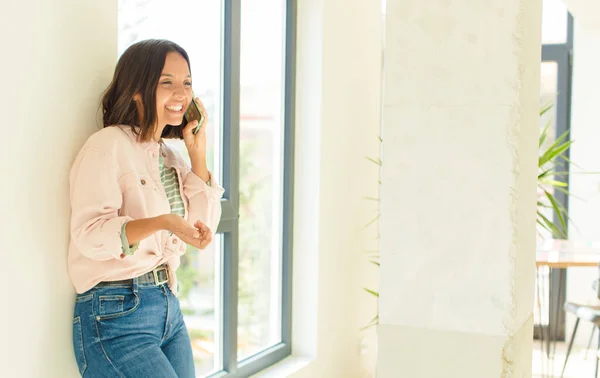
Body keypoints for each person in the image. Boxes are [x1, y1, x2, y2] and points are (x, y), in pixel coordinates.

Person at [68, 39, 224, 378]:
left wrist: (198, 154)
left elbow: (201, 228)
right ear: (137, 90)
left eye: (187, 83)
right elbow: (89, 235)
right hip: (116, 314)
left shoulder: (169, 156)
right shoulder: (108, 145)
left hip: (167, 307)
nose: (181, 93)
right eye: (166, 82)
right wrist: (162, 222)